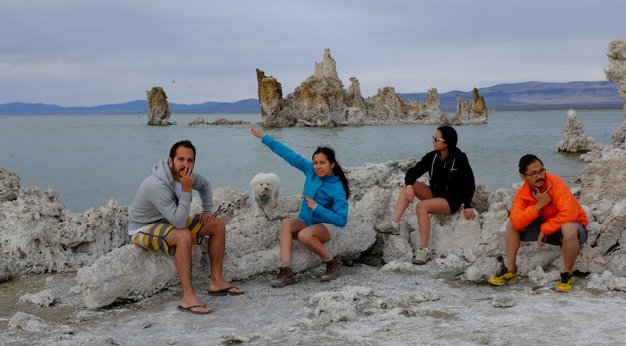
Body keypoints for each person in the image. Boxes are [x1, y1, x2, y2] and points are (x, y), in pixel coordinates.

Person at [128, 140, 243, 315]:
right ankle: (188, 297)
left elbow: (205, 185)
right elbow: (180, 224)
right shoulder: (156, 186)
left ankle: (217, 281)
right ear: (170, 161)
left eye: (190, 160)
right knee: (183, 235)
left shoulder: (187, 175)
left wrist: (207, 211)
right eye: (180, 159)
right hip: (143, 228)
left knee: (217, 225)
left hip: (169, 221)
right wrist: (187, 189)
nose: (185, 165)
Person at [250, 125, 350, 286]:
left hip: (326, 225)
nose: (318, 166)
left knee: (304, 235)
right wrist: (264, 137)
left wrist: (316, 207)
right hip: (306, 221)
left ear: (332, 164)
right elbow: (289, 154)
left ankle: (331, 262)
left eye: (322, 163)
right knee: (286, 223)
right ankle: (286, 270)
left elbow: (342, 220)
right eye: (315, 162)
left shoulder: (337, 187)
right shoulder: (310, 170)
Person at [375, 125, 476, 265]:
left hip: (451, 201)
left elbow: (469, 182)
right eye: (433, 137)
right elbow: (412, 172)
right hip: (435, 194)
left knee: (421, 207)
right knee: (408, 185)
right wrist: (409, 186)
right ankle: (393, 223)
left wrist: (468, 205)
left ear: (447, 143)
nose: (433, 141)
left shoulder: (459, 159)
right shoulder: (432, 157)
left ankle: (424, 249)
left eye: (437, 139)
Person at [488, 154, 589, 292]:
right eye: (534, 173)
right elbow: (517, 221)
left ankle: (567, 274)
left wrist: (545, 229)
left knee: (568, 228)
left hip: (574, 231)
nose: (540, 176)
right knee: (511, 225)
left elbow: (570, 214)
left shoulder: (555, 184)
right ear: (523, 177)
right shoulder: (523, 193)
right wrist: (539, 205)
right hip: (550, 231)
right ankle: (510, 272)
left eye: (541, 171)